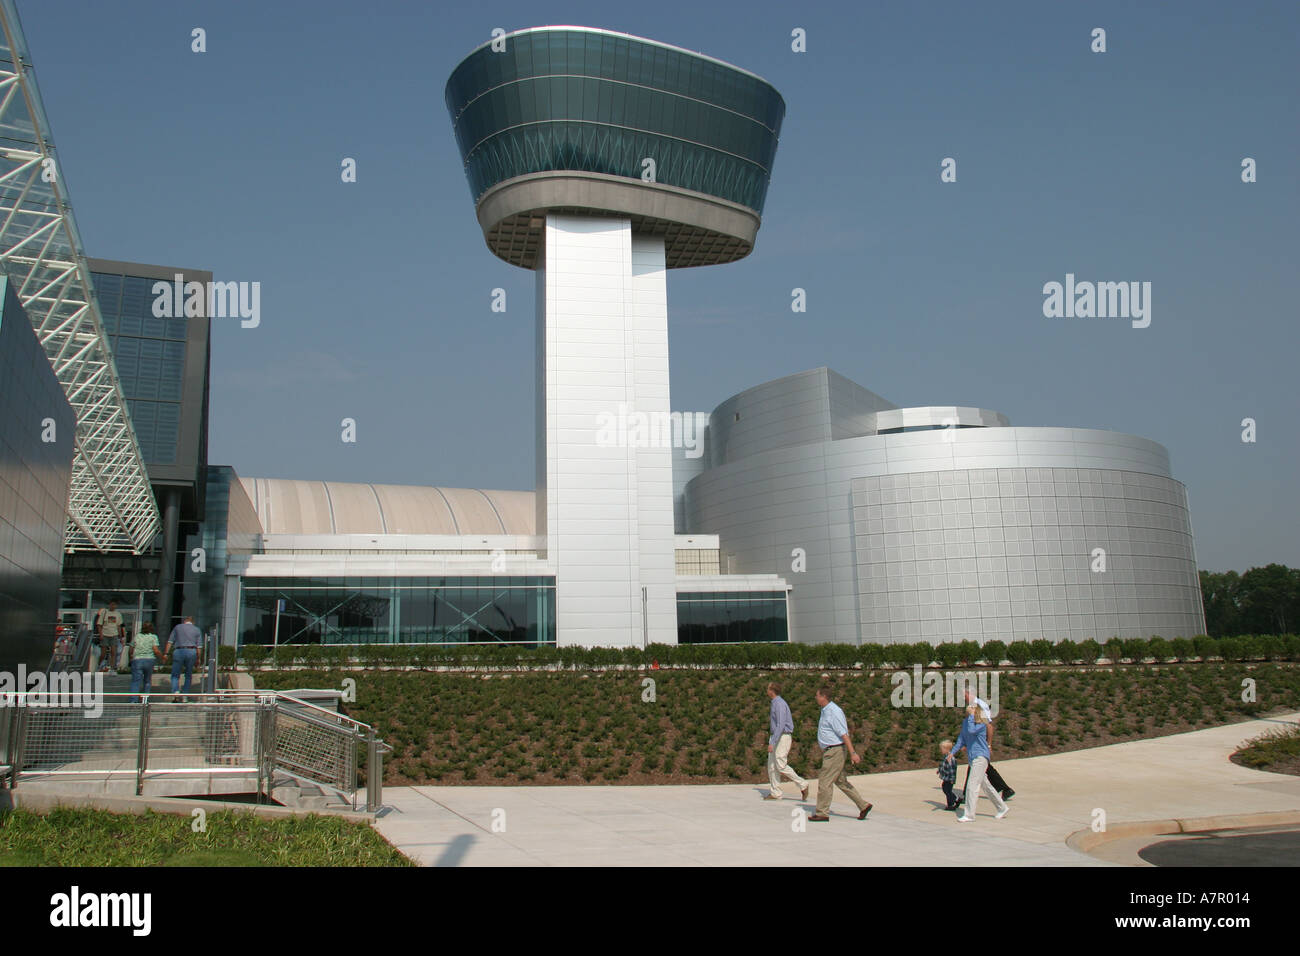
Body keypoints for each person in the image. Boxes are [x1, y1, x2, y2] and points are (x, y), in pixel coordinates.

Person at [808, 686, 872, 822]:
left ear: (824, 697)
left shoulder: (834, 712)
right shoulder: (825, 710)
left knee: (825, 781)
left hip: (834, 751)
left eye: (817, 695)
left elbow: (844, 733)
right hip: (831, 751)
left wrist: (853, 753)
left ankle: (822, 812)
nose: (815, 698)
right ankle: (863, 805)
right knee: (841, 781)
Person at [946, 705, 1009, 823]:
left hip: (981, 757)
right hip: (972, 758)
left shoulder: (981, 724)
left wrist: (970, 716)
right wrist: (952, 753)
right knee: (986, 785)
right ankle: (1002, 807)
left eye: (972, 707)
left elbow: (971, 730)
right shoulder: (966, 722)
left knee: (972, 786)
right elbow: (961, 739)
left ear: (977, 711)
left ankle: (969, 815)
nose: (969, 707)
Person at [963, 688, 1015, 801]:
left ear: (970, 694)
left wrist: (988, 745)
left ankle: (966, 795)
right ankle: (1005, 789)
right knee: (983, 767)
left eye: (965, 695)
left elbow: (989, 726)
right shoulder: (974, 705)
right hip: (976, 742)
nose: (963, 698)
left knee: (975, 766)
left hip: (980, 743)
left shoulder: (979, 705)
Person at [764, 682, 809, 801]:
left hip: (782, 737)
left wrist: (773, 742)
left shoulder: (779, 704)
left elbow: (781, 724)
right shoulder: (775, 703)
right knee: (772, 766)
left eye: (768, 688)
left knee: (780, 764)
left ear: (772, 691)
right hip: (776, 735)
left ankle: (803, 784)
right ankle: (775, 792)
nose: (766, 691)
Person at [165, 615, 204, 697]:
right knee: (188, 675)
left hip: (179, 650)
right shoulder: (197, 629)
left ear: (184, 621)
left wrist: (166, 653)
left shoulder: (177, 627)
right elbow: (199, 646)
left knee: (175, 674)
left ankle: (175, 692)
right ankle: (185, 695)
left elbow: (170, 641)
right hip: (191, 651)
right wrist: (198, 658)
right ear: (193, 622)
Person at [128, 622, 162, 702]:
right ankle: (145, 699)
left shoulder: (137, 636)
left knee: (135, 681)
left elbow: (131, 649)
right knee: (147, 680)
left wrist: (130, 657)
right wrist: (162, 657)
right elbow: (156, 650)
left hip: (137, 660)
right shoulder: (153, 637)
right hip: (149, 660)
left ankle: (134, 700)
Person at [91, 600, 123, 673]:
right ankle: (99, 665)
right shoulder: (104, 613)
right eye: (112, 604)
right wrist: (101, 634)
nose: (113, 606)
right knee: (103, 653)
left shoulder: (118, 614)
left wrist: (120, 636)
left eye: (115, 605)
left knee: (113, 652)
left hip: (114, 635)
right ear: (109, 605)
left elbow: (119, 626)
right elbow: (99, 625)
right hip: (105, 634)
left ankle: (112, 668)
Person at [937, 739, 963, 811]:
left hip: (949, 778)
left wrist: (952, 779)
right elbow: (942, 765)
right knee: (946, 789)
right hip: (946, 777)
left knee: (947, 790)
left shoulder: (951, 758)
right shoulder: (946, 756)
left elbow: (952, 770)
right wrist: (939, 770)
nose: (941, 750)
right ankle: (954, 801)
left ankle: (953, 802)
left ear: (946, 749)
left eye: (942, 749)